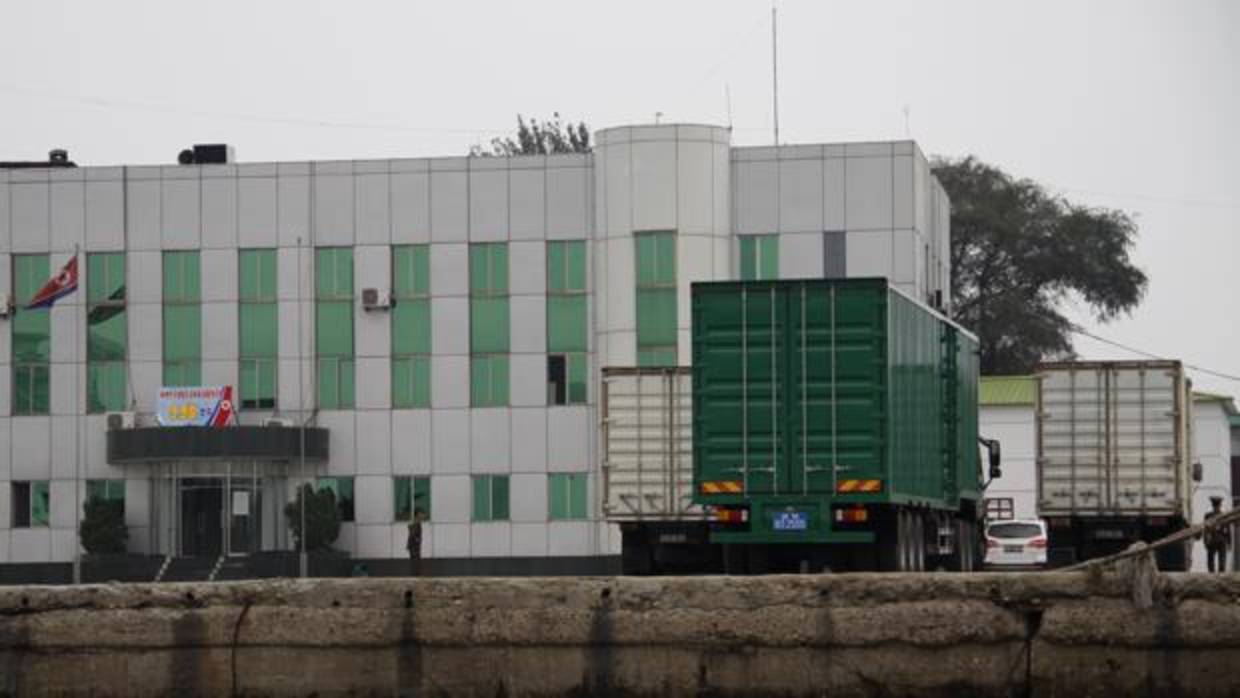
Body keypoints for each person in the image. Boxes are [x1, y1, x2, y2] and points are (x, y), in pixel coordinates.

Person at [1203, 496, 1230, 574]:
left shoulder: (1223, 515)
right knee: (1211, 562)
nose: (1216, 507)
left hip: (1220, 539)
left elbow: (1227, 529)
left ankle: (1220, 576)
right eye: (1215, 506)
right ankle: (1213, 576)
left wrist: (1228, 541)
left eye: (1217, 505)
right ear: (1213, 506)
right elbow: (1205, 529)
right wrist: (1205, 541)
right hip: (1212, 539)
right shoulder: (1208, 516)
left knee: (1222, 562)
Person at [407, 508, 427, 576]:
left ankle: (415, 574)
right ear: (418, 514)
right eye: (421, 514)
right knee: (415, 560)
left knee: (415, 560)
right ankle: (415, 575)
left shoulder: (416, 522)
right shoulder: (416, 522)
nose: (423, 515)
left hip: (414, 545)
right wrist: (417, 539)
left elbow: (411, 530)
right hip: (414, 546)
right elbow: (412, 533)